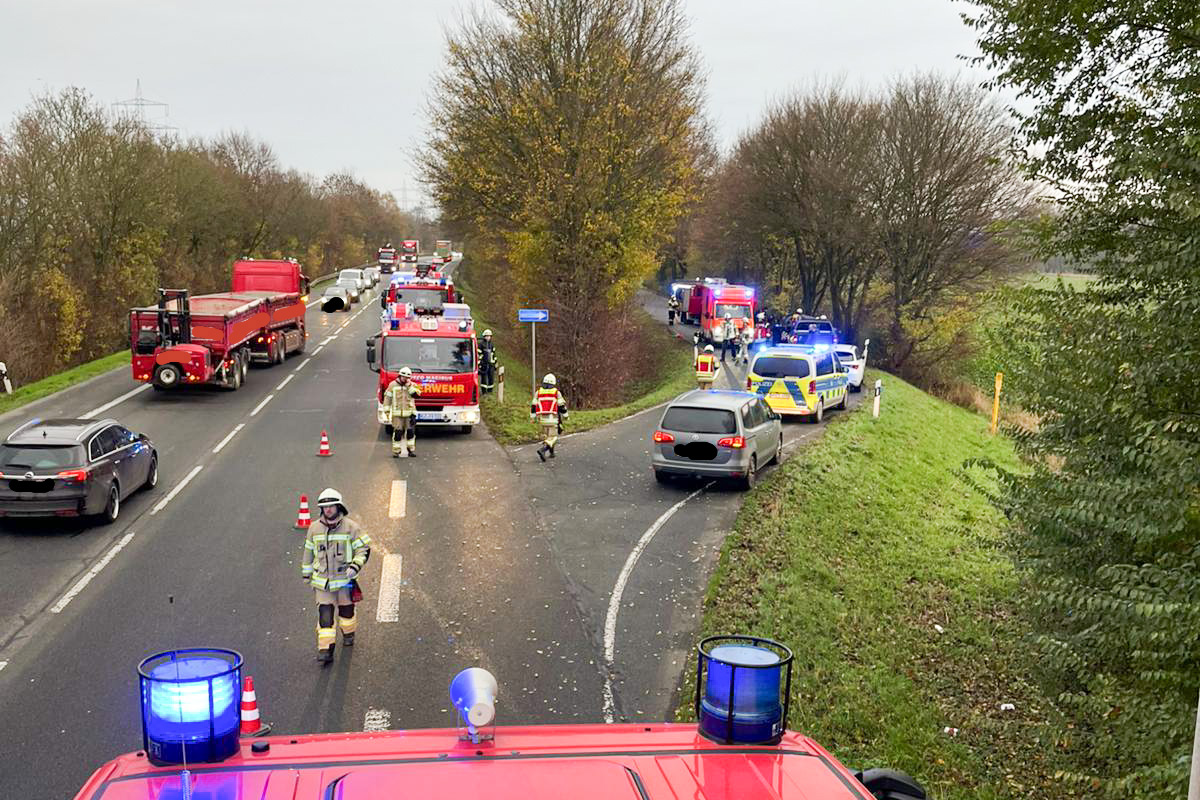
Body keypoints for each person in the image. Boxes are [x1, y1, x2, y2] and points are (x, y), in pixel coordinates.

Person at [302, 488, 371, 664]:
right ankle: (326, 650)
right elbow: (308, 551)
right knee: (325, 616)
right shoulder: (314, 528)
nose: (328, 509)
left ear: (339, 506)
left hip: (344, 582)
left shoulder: (351, 527)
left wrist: (355, 566)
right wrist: (306, 573)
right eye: (325, 507)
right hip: (322, 583)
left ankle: (348, 633)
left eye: (331, 506)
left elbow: (364, 548)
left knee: (347, 613)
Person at [383, 366, 422, 457]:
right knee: (398, 432)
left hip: (409, 414)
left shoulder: (412, 385)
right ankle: (396, 451)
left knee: (410, 432)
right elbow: (388, 398)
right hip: (397, 414)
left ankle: (411, 450)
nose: (406, 379)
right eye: (404, 377)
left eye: (408, 377)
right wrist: (387, 410)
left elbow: (417, 395)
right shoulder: (392, 385)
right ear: (400, 376)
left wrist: (409, 386)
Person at [530, 373, 568, 461]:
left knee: (547, 436)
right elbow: (562, 406)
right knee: (553, 437)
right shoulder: (556, 393)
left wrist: (533, 417)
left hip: (542, 419)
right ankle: (543, 450)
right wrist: (566, 415)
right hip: (552, 418)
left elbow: (533, 406)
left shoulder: (538, 392)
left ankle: (551, 453)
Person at [478, 330, 497, 394]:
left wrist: (495, 363)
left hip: (491, 364)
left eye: (489, 336)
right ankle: (484, 392)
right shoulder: (481, 344)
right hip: (483, 364)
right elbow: (478, 355)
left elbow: (494, 355)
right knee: (484, 378)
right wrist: (479, 364)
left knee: (491, 378)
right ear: (484, 336)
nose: (488, 337)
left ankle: (490, 391)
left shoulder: (491, 345)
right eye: (487, 336)